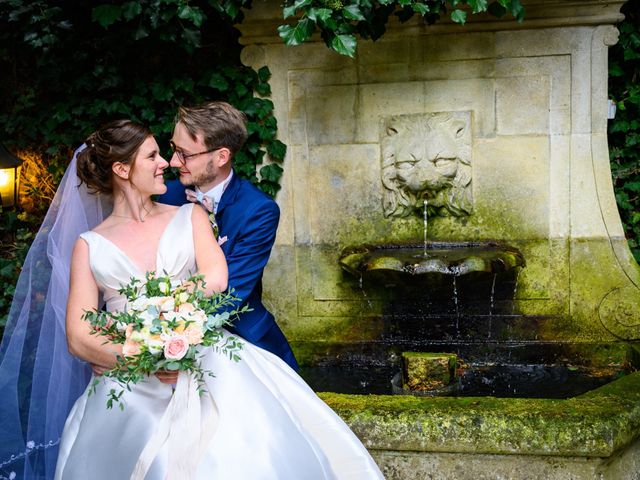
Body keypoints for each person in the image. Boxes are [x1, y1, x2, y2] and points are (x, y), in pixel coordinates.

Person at [0, 119, 384, 479]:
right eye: (152, 156)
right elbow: (78, 335)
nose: (166, 162)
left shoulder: (191, 215)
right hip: (130, 381)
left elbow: (216, 281)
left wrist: (176, 332)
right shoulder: (90, 245)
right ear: (121, 170)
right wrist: (147, 358)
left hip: (205, 359)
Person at [158, 102, 298, 371]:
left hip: (238, 336)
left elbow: (231, 294)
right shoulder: (164, 197)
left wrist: (166, 334)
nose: (173, 162)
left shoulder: (258, 211)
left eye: (184, 154)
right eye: (174, 149)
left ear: (221, 157)